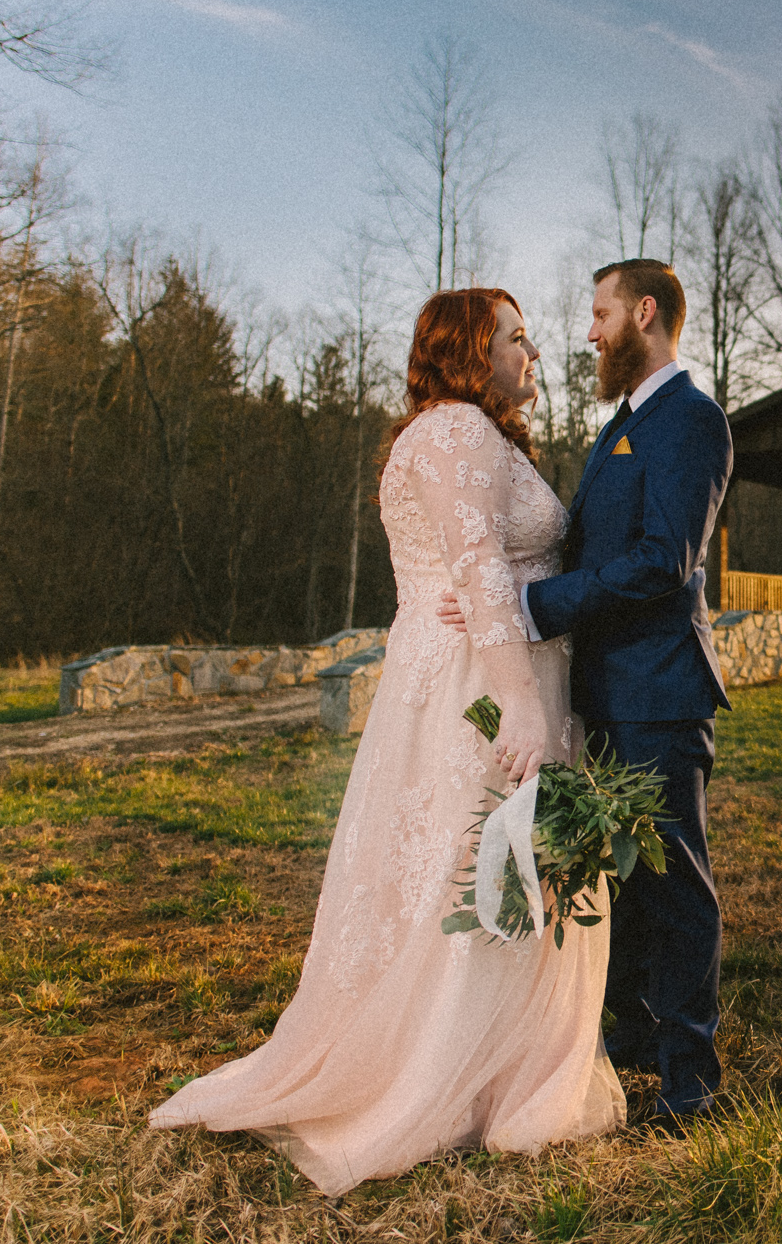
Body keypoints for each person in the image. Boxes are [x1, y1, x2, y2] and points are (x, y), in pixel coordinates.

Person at [149, 288, 624, 1196]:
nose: (534, 354)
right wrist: (521, 704)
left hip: (491, 668)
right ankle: (437, 1070)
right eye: (515, 339)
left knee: (489, 858)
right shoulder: (451, 433)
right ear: (469, 351)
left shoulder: (476, 435)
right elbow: (479, 564)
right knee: (468, 855)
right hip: (476, 685)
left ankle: (491, 1067)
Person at [438, 258, 733, 1129]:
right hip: (604, 690)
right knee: (627, 884)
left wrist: (527, 605)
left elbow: (659, 563)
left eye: (601, 314)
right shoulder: (622, 426)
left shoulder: (691, 419)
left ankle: (692, 1082)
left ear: (644, 313)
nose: (590, 332)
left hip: (658, 690)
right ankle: (637, 1040)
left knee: (675, 883)